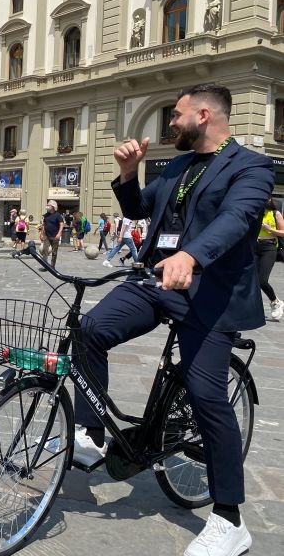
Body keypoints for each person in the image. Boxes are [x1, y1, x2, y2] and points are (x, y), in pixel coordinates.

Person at [76, 85, 271, 556]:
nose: (171, 123)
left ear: (203, 115)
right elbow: (141, 211)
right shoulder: (177, 165)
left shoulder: (251, 166)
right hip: (157, 280)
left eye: (177, 115)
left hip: (210, 293)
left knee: (207, 396)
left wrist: (192, 255)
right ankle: (93, 434)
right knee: (88, 330)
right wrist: (127, 174)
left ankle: (229, 519)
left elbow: (237, 218)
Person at [254, 197, 284, 321]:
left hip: (269, 247)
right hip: (255, 246)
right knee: (252, 280)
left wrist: (269, 229)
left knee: (262, 280)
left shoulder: (275, 213)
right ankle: (252, 309)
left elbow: (283, 232)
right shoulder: (255, 212)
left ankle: (275, 302)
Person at [40, 200, 63, 268]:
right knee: (45, 250)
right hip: (47, 236)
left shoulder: (58, 215)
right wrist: (42, 233)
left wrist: (59, 233)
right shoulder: (46, 215)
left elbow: (61, 224)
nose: (47, 206)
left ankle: (52, 266)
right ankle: (45, 265)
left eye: (48, 205)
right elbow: (44, 225)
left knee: (54, 252)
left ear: (53, 207)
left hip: (55, 236)